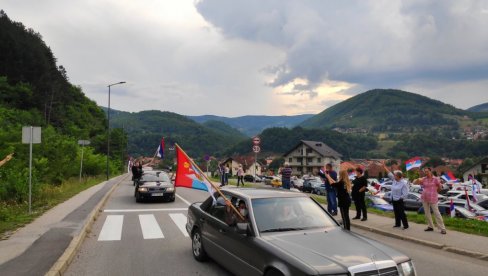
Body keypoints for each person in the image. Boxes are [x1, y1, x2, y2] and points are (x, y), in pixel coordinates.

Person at [414, 167, 446, 234]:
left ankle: (442, 228)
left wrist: (435, 192)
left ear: (430, 171)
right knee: (427, 213)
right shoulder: (424, 179)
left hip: (433, 198)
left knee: (436, 213)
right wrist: (417, 179)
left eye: (427, 171)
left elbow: (440, 188)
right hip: (424, 198)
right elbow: (414, 183)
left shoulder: (436, 179)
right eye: (425, 172)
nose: (426, 173)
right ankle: (430, 226)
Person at [382, 162, 409, 229]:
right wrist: (384, 166)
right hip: (394, 199)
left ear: (399, 176)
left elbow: (405, 193)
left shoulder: (404, 183)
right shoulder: (394, 180)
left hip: (400, 200)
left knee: (401, 213)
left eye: (395, 175)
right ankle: (397, 224)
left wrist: (400, 198)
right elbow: (389, 173)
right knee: (396, 212)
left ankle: (405, 225)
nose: (394, 176)